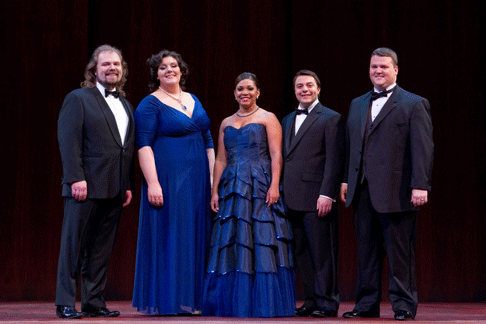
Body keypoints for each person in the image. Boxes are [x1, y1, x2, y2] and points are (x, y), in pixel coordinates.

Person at [340, 48, 433, 321]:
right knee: (366, 252)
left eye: (383, 67)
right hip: (363, 188)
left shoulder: (414, 103)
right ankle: (366, 304)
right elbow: (352, 147)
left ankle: (403, 305)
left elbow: (423, 148)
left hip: (398, 190)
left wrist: (421, 185)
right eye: (373, 67)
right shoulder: (357, 103)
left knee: (399, 253)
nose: (378, 71)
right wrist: (347, 179)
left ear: (395, 70)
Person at [203, 73, 295, 317]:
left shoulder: (268, 118)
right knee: (234, 238)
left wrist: (275, 185)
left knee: (261, 238)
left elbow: (276, 154)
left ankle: (263, 302)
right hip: (232, 185)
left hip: (259, 183)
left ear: (258, 92)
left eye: (250, 88)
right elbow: (221, 159)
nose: (245, 92)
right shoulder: (225, 122)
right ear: (234, 93)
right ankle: (235, 301)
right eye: (240, 89)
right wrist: (214, 190)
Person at [132, 50, 215, 315]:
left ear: (182, 70)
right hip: (168, 179)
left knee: (194, 233)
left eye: (174, 65)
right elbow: (143, 145)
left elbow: (208, 141)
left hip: (198, 180)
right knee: (172, 235)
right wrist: (153, 183)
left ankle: (193, 300)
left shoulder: (193, 99)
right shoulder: (149, 104)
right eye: (163, 67)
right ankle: (171, 299)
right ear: (155, 74)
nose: (169, 70)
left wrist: (214, 182)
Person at [55, 44, 135, 319]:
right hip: (85, 186)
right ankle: (65, 302)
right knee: (73, 245)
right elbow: (69, 141)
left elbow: (126, 148)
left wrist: (127, 184)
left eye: (116, 64)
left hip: (114, 187)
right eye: (105, 64)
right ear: (94, 69)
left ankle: (93, 301)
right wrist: (76, 178)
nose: (112, 68)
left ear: (122, 70)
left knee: (101, 249)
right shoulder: (79, 98)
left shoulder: (125, 103)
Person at [281, 70, 345, 318]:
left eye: (309, 85)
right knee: (301, 252)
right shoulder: (286, 120)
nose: (304, 89)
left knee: (322, 252)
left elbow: (334, 160)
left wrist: (327, 194)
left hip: (317, 197)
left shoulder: (331, 118)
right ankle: (310, 300)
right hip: (292, 196)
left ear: (319, 89)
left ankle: (328, 302)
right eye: (299, 86)